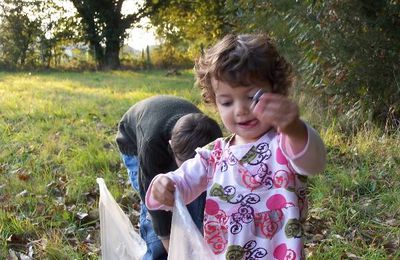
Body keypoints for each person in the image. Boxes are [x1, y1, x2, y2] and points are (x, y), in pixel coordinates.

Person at [146, 34, 327, 259]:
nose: (240, 109)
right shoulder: (213, 156)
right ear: (214, 101)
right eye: (227, 102)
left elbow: (314, 162)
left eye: (253, 97)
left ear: (276, 91)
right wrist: (165, 184)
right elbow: (183, 182)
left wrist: (294, 127)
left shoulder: (284, 142)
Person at [116, 95, 223, 260]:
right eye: (183, 166)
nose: (188, 171)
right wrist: (173, 251)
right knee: (157, 205)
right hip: (133, 141)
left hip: (168, 124)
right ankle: (154, 254)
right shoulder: (151, 145)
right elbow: (152, 204)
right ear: (171, 146)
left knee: (194, 200)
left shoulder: (213, 141)